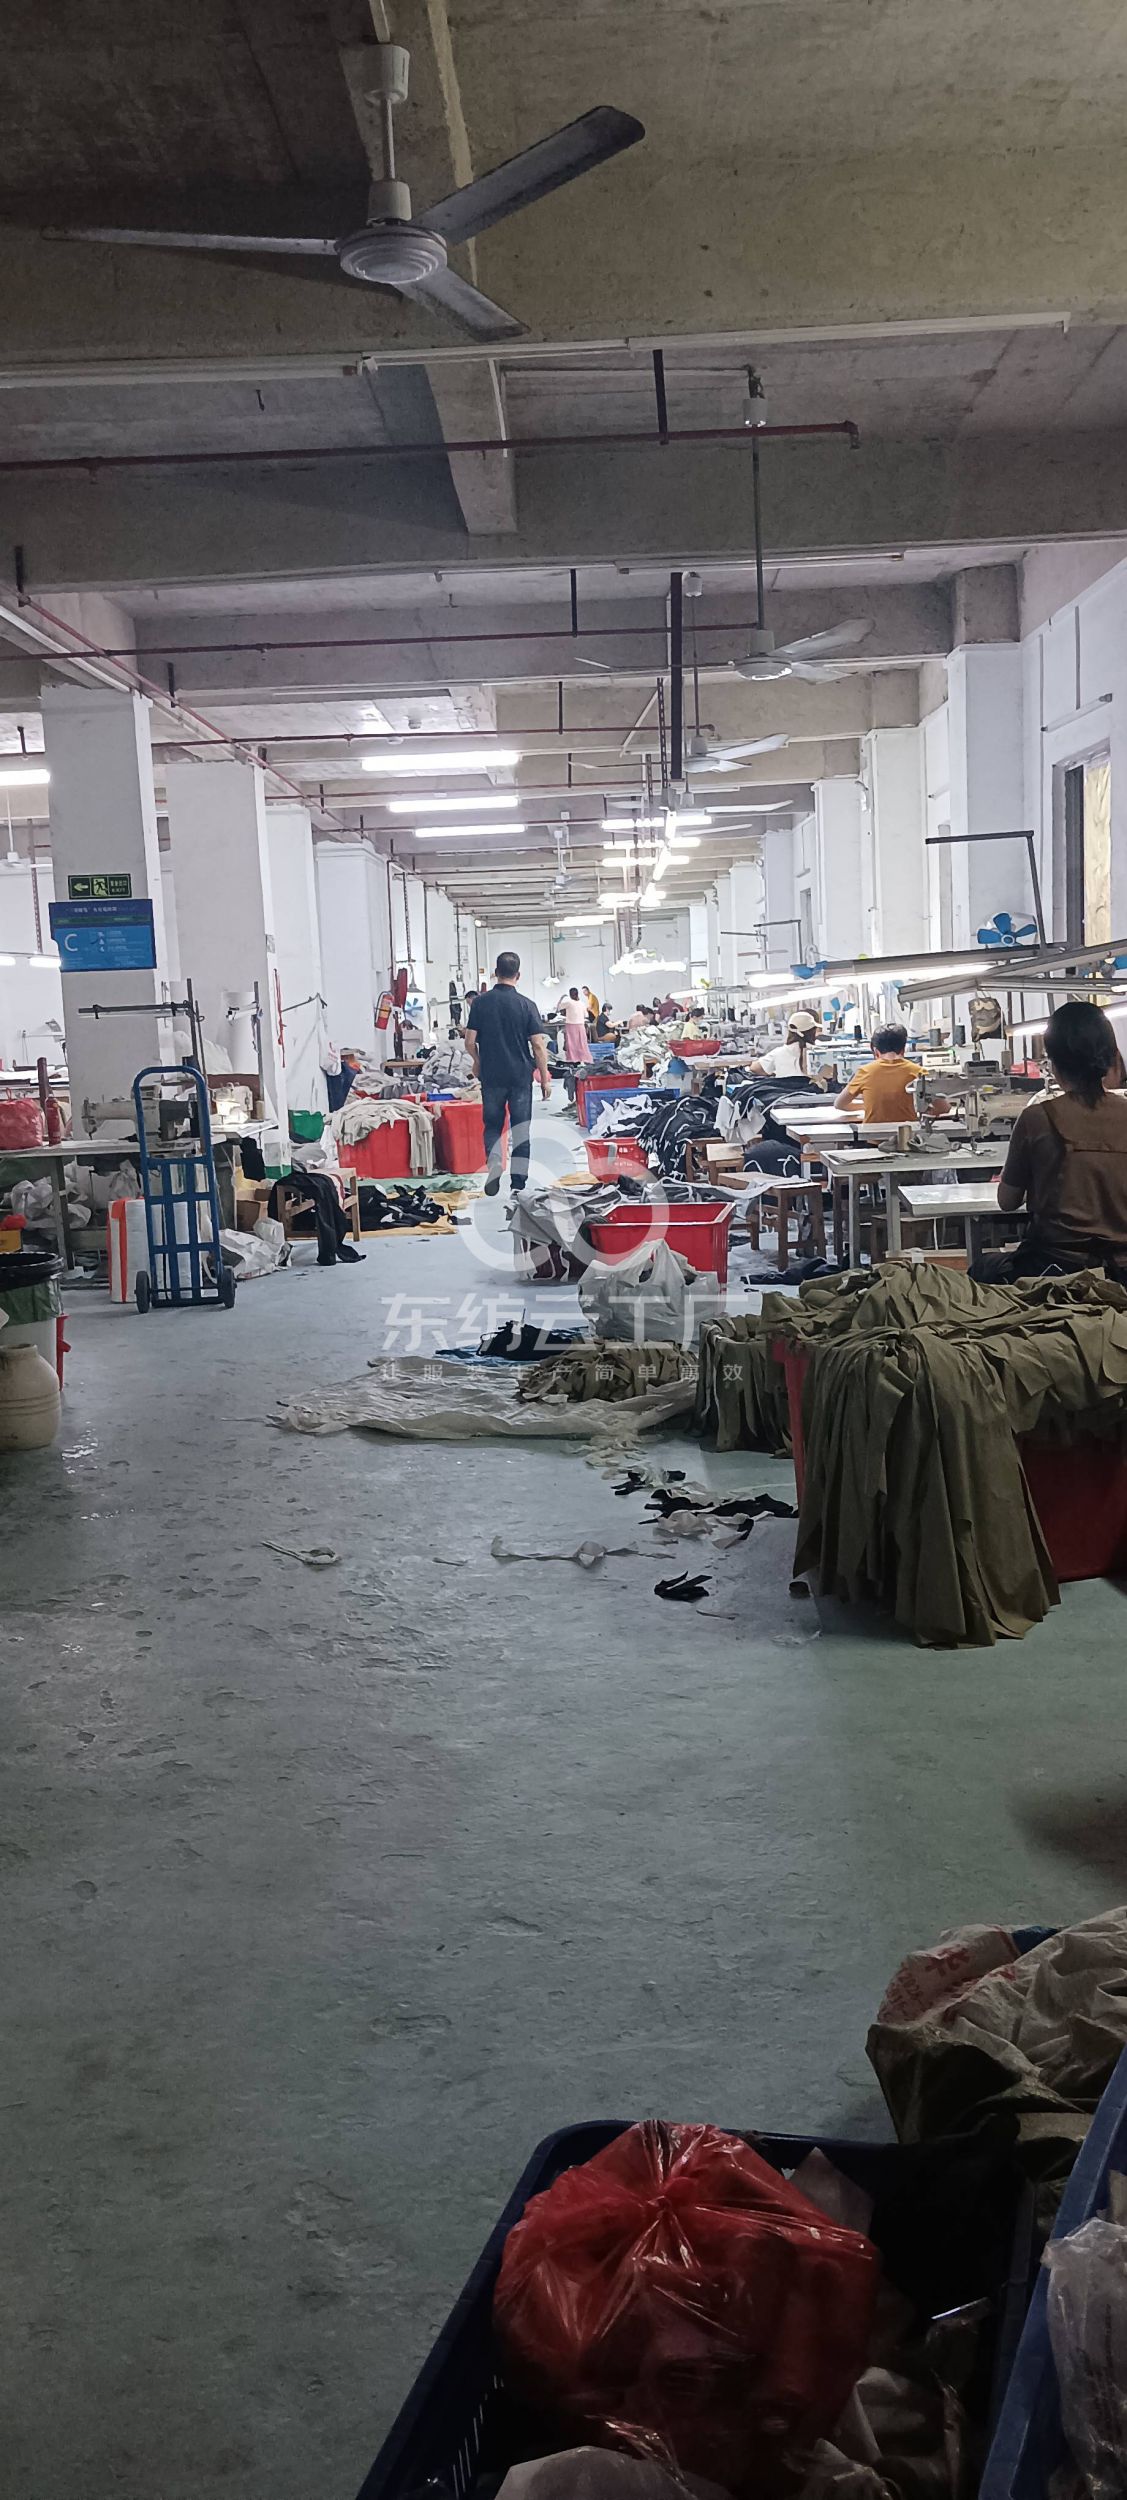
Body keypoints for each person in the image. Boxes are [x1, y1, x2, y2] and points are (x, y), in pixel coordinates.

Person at [985, 1001, 1127, 1278]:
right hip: (1123, 1272)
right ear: (1110, 1058)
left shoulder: (1037, 1118)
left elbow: (1007, 1201)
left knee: (983, 1270)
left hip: (1057, 1271)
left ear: (1053, 1062)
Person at [466, 951, 551, 1196]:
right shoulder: (527, 1005)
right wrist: (544, 1078)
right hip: (520, 1077)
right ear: (518, 975)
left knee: (493, 1125)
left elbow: (469, 1041)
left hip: (492, 1075)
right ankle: (518, 1186)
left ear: (496, 972)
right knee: (521, 1129)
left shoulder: (480, 1003)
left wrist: (477, 1062)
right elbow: (538, 1045)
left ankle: (494, 1163)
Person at [835, 1024, 923, 1123]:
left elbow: (839, 1104)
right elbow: (937, 1107)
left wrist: (866, 1106)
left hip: (874, 1132)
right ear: (903, 1050)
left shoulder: (865, 1072)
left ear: (875, 1051)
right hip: (909, 1132)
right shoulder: (918, 1072)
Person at [749, 1009, 823, 1083]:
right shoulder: (820, 1053)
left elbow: (754, 1068)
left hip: (784, 1090)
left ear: (789, 1031)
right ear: (813, 1031)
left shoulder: (778, 1053)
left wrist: (774, 1073)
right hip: (812, 1090)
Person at [559, 986, 593, 1065]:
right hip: (581, 1025)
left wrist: (561, 998)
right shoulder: (582, 1003)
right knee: (582, 1043)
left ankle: (573, 1059)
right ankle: (584, 1059)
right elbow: (586, 1015)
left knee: (571, 1043)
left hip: (571, 1025)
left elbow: (558, 1007)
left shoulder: (569, 1003)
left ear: (570, 995)